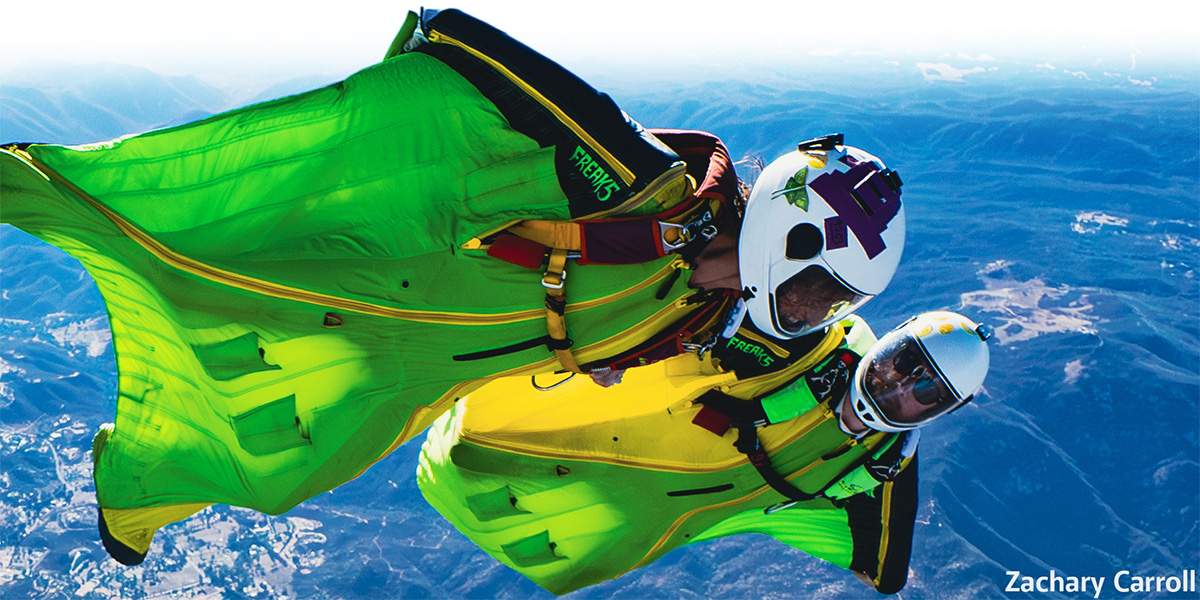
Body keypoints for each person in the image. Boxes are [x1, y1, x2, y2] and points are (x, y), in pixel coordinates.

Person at [0, 8, 903, 565]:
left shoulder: (706, 310)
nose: (818, 311)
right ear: (787, 238)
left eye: (836, 304)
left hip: (433, 362)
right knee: (192, 262)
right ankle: (48, 198)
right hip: (399, 279)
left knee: (285, 472)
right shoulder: (642, 190)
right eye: (823, 288)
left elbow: (771, 400)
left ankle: (134, 486)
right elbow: (486, 67)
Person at [417, 311, 992, 595]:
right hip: (608, 451)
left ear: (942, 413)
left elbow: (885, 571)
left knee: (564, 550)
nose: (894, 387)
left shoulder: (887, 465)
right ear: (889, 340)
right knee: (476, 451)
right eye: (899, 362)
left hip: (641, 517)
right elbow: (728, 314)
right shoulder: (815, 348)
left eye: (923, 392)